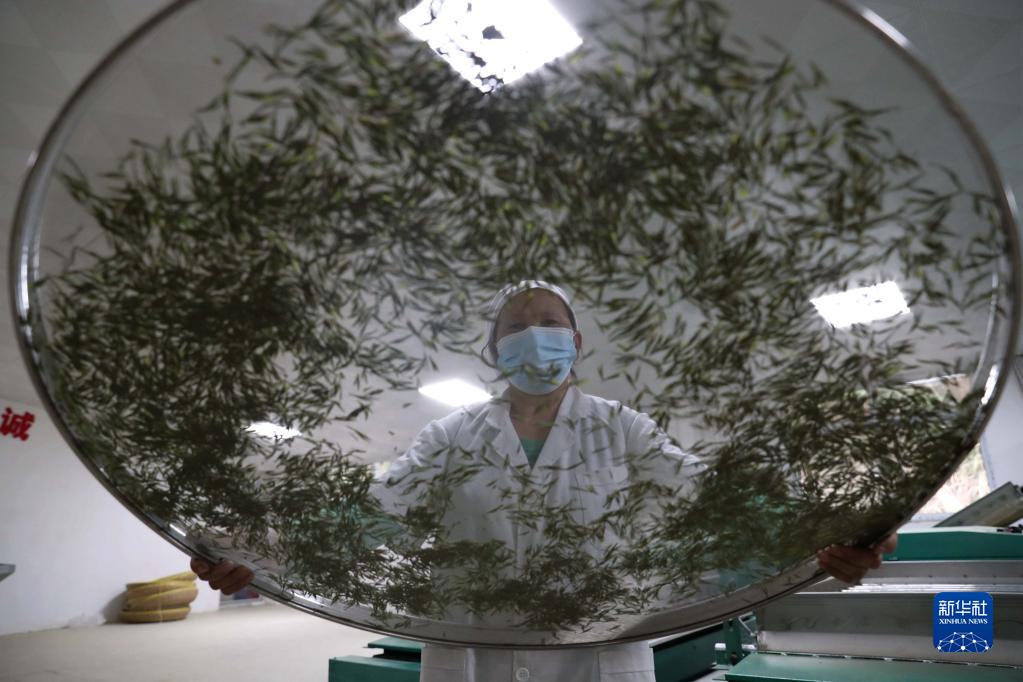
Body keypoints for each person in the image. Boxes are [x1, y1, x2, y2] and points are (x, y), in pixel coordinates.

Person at [192, 280, 897, 682]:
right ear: (495, 350)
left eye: (550, 322)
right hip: (472, 651)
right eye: (517, 326)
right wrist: (252, 552)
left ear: (576, 343)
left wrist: (832, 533)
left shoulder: (620, 427)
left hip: (600, 654)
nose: (534, 334)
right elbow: (372, 513)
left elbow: (709, 497)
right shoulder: (451, 435)